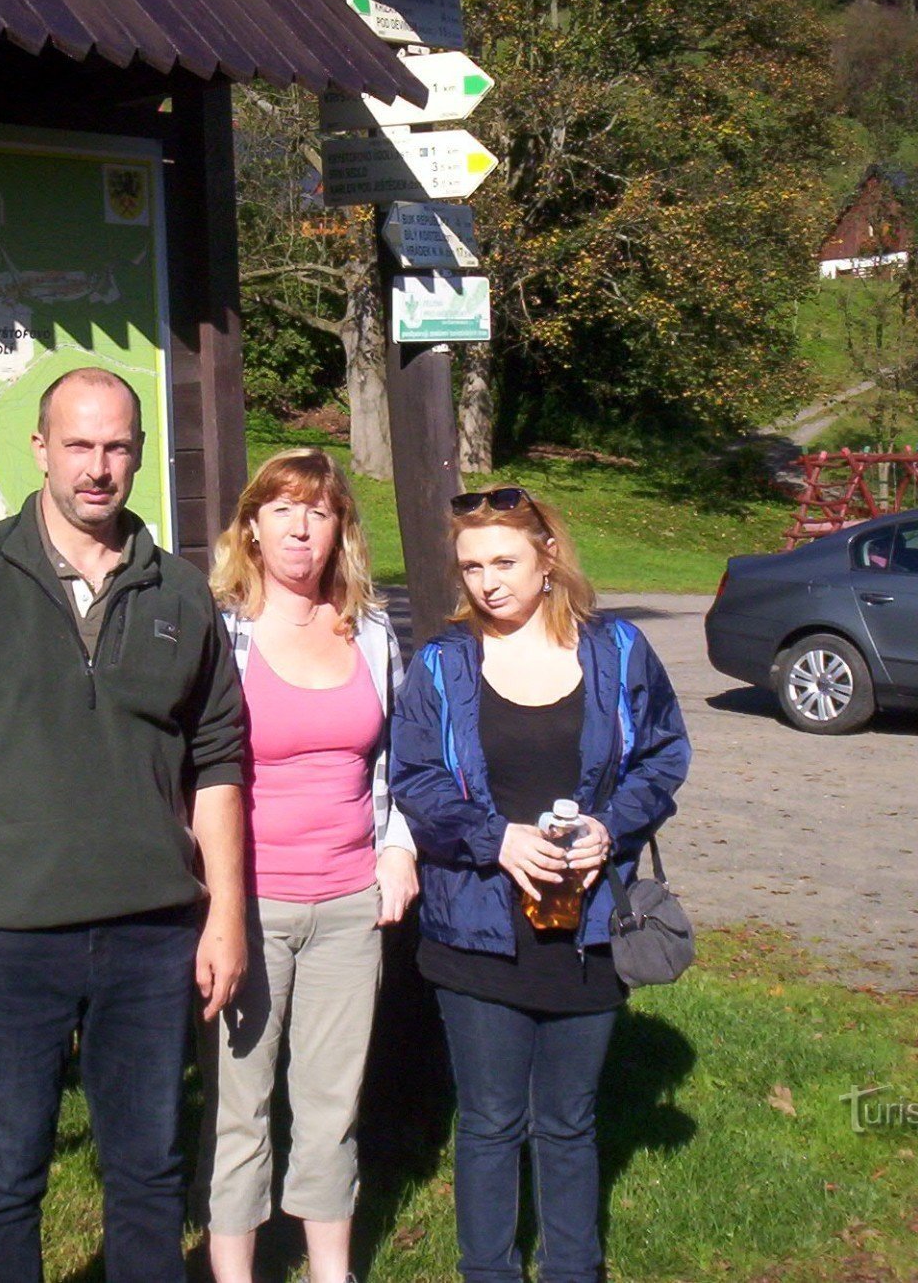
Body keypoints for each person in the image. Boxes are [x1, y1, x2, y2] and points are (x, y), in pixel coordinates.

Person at [0, 366, 248, 1283]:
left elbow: (218, 763)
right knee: (6, 1174)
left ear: (138, 454)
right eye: (78, 445)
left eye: (116, 447)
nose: (97, 468)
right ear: (40, 449)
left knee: (147, 1173)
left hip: (150, 933)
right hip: (5, 933)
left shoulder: (179, 593)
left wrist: (225, 915)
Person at [389, 486, 690, 1283]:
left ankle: (572, 1270)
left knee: (567, 1123)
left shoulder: (619, 650)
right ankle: (487, 1271)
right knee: (489, 1123)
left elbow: (664, 756)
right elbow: (413, 779)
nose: (487, 582)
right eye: (472, 566)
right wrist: (495, 839)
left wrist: (611, 827)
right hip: (476, 928)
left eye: (505, 562)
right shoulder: (442, 663)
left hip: (588, 929)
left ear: (548, 556)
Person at [199, 448, 419, 1283]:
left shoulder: (367, 627)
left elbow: (399, 757)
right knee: (240, 1108)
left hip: (348, 905)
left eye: (319, 512)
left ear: (341, 530)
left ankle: (332, 1272)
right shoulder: (222, 628)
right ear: (251, 525)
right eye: (283, 509)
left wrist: (397, 848)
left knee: (331, 1106)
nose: (300, 527)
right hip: (245, 907)